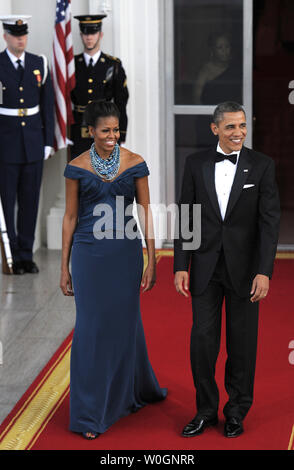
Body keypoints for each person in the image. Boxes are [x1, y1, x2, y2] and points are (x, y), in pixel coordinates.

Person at [60, 99, 167, 439]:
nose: (112, 136)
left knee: (124, 324)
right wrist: (63, 267)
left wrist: (152, 256)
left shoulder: (135, 163)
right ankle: (90, 413)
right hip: (89, 255)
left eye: (116, 130)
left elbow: (147, 211)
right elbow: (70, 217)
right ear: (90, 130)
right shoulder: (76, 166)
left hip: (125, 254)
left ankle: (127, 393)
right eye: (105, 131)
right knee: (91, 328)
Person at [174, 101, 280, 438]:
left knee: (242, 344)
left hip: (246, 271)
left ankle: (236, 411)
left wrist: (264, 270)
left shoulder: (262, 165)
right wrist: (180, 264)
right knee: (203, 341)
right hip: (205, 266)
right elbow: (186, 216)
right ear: (215, 128)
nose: (239, 133)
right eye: (231, 127)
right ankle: (205, 410)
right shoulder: (195, 163)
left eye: (242, 126)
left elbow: (269, 223)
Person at [0, 15, 54, 274]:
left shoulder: (38, 63)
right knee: (7, 202)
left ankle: (25, 255)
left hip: (32, 141)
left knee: (30, 200)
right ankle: (11, 256)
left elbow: (47, 105)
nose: (20, 38)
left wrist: (47, 141)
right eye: (15, 33)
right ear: (5, 37)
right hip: (6, 144)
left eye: (23, 33)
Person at [70, 15, 129, 160]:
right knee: (81, 173)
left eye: (93, 33)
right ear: (81, 35)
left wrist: (120, 132)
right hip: (79, 127)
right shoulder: (72, 65)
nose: (89, 37)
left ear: (100, 35)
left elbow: (121, 102)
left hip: (106, 127)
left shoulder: (113, 65)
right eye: (85, 33)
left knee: (106, 174)